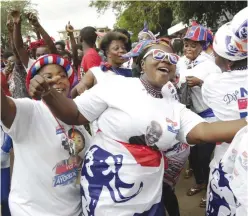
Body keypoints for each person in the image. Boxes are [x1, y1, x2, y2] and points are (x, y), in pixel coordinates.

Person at [26, 39, 246, 216]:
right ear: (142, 63)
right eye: (158, 55)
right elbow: (74, 114)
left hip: (149, 197)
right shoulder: (116, 86)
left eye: (172, 58)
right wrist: (48, 94)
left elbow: (204, 132)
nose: (166, 61)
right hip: (106, 194)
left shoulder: (174, 107)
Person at [1, 54, 91, 216]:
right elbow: (4, 107)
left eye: (62, 76)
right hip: (32, 211)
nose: (57, 79)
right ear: (35, 83)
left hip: (75, 209)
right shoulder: (29, 111)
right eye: (47, 76)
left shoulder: (75, 116)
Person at [202, 7, 248, 216]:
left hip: (227, 165)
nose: (213, 57)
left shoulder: (211, 85)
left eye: (216, 53)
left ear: (228, 63)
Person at [177, 24, 220, 206]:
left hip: (209, 117)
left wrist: (202, 83)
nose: (189, 48)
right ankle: (201, 182)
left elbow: (219, 90)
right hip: (189, 116)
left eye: (193, 45)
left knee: (204, 157)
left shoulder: (211, 66)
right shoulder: (181, 62)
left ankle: (212, 190)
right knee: (193, 157)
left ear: (202, 46)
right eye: (187, 44)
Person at [71, 31, 132, 99]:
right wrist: (80, 87)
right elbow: (73, 94)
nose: (122, 50)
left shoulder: (129, 72)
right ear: (108, 53)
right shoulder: (96, 72)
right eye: (116, 48)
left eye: (123, 48)